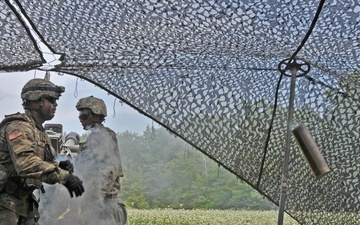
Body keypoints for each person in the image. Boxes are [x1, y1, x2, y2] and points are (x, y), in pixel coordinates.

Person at [0, 76, 85, 225]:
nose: (55, 105)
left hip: (24, 202)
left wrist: (59, 167)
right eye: (51, 100)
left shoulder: (39, 132)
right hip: (6, 203)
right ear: (35, 101)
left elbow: (44, 163)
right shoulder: (19, 127)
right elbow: (26, 164)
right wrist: (64, 177)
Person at [75, 96, 127, 225]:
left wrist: (93, 201)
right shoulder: (94, 138)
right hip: (97, 204)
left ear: (97, 115)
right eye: (80, 116)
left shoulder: (105, 137)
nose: (81, 119)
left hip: (104, 205)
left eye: (84, 116)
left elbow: (108, 171)